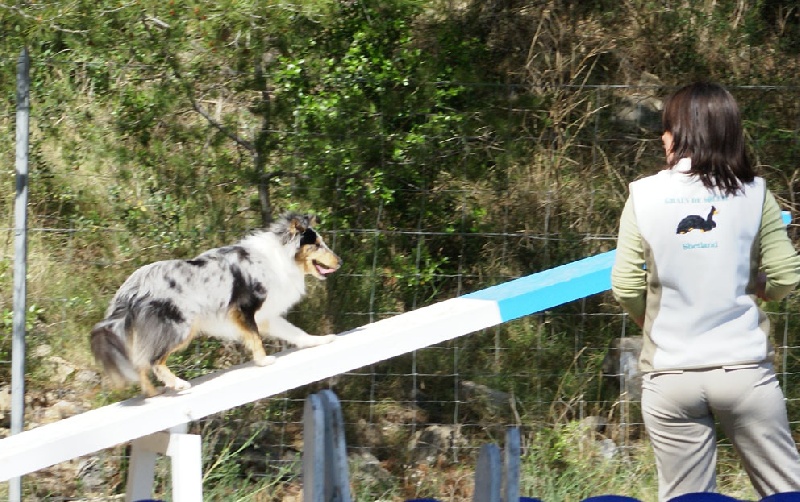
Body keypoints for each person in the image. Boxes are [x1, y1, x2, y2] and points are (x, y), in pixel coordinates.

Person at [611, 82, 800, 501]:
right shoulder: (755, 193)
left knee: (686, 498)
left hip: (670, 376)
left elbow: (625, 283)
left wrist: (650, 322)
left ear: (681, 135)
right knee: (787, 492)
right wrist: (760, 289)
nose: (662, 137)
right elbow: (787, 275)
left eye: (667, 128)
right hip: (744, 374)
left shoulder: (643, 195)